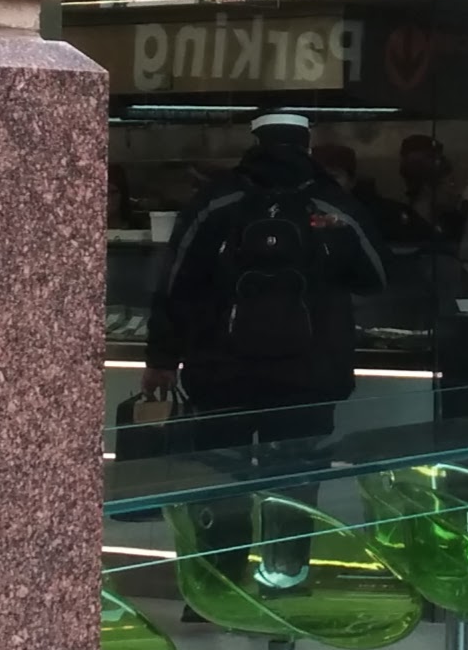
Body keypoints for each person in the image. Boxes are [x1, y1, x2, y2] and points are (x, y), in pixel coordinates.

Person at [143, 109, 389, 447]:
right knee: (296, 474)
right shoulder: (332, 204)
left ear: (255, 143)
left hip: (222, 374)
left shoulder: (216, 200)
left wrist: (161, 359)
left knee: (221, 473)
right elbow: (376, 279)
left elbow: (177, 284)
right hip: (310, 375)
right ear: (307, 146)